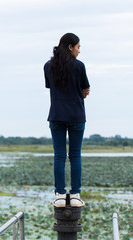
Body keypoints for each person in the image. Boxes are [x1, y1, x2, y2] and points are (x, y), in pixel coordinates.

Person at [44, 33, 90, 207]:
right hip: (77, 115)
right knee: (75, 155)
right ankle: (76, 194)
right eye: (78, 47)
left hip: (56, 115)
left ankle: (60, 195)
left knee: (59, 156)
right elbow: (85, 89)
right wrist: (82, 94)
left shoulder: (48, 66)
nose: (79, 51)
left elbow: (51, 87)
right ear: (70, 47)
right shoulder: (79, 66)